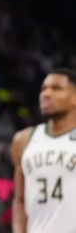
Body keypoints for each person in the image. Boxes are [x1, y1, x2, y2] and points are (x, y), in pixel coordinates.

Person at [11, 68, 76, 233]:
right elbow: (19, 200)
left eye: (56, 89)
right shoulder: (23, 140)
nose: (46, 94)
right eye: (43, 89)